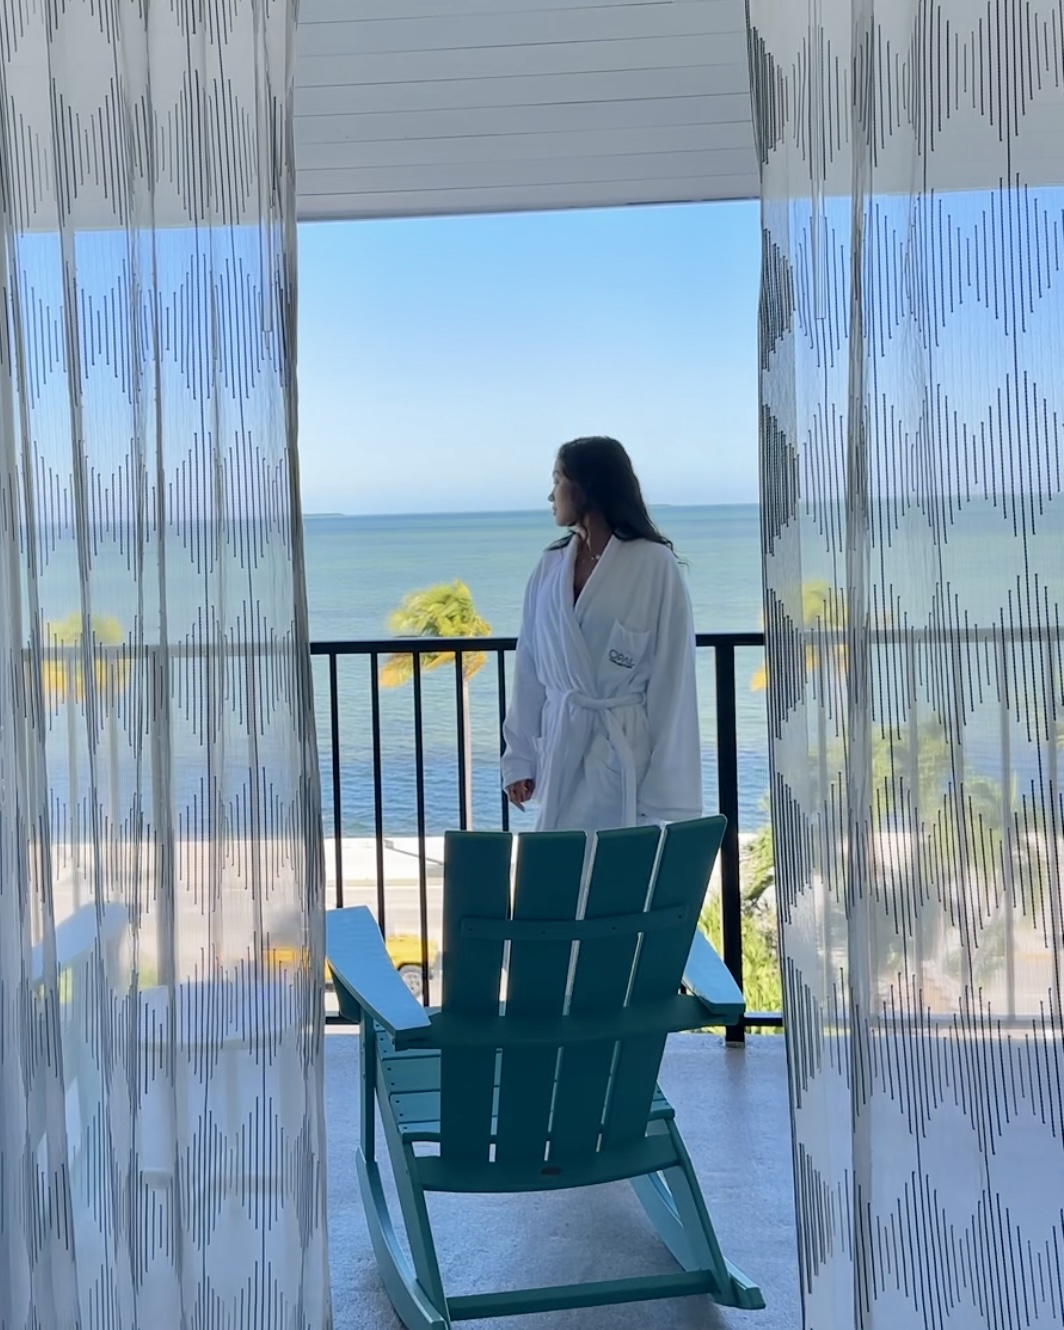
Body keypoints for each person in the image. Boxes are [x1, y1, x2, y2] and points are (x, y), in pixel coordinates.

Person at [502, 436, 702, 834]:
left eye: (557, 479)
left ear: (584, 486)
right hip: (562, 748)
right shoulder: (549, 567)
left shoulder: (653, 565)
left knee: (614, 884)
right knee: (556, 876)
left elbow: (672, 679)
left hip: (624, 754)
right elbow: (529, 668)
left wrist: (664, 785)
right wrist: (519, 757)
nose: (550, 494)